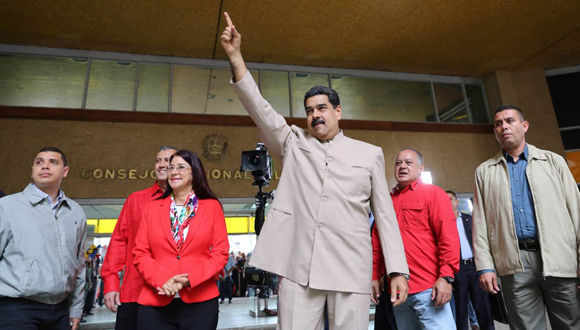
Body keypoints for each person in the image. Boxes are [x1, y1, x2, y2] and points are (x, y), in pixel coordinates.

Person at [221, 12, 409, 330]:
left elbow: (386, 219)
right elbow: (260, 109)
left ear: (337, 111)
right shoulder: (294, 142)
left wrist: (397, 271)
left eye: (322, 108)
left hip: (350, 268)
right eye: (309, 110)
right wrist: (236, 58)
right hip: (298, 267)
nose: (315, 115)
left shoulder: (369, 154)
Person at [473, 104, 580, 329]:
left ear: (524, 125)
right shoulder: (485, 171)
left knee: (570, 324)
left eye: (510, 121)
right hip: (514, 263)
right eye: (498, 124)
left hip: (559, 257)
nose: (504, 127)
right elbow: (480, 223)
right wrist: (485, 266)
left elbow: (576, 211)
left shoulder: (553, 162)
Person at [133, 149, 229, 330]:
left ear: (195, 173)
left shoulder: (212, 207)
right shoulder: (152, 209)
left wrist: (189, 279)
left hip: (200, 303)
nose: (174, 172)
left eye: (181, 167)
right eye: (170, 167)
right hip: (155, 302)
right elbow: (140, 252)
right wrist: (162, 280)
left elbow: (220, 253)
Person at [0, 147, 87, 330]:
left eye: (52, 162)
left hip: (61, 311)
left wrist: (76, 310)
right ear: (32, 171)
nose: (44, 166)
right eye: (39, 162)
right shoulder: (7, 207)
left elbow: (79, 266)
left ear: (65, 171)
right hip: (16, 308)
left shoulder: (75, 212)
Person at [372, 148, 459, 329]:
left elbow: (448, 239)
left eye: (408, 162)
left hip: (429, 288)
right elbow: (377, 244)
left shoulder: (434, 194)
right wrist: (375, 276)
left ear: (420, 168)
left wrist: (446, 277)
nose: (402, 166)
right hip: (397, 290)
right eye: (398, 163)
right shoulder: (386, 201)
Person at [101, 146, 176, 330]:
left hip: (178, 294)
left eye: (168, 160)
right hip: (135, 291)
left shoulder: (192, 202)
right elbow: (119, 241)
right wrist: (111, 283)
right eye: (158, 160)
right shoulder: (136, 200)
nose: (161, 164)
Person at [446, 190, 494, 330]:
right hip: (457, 269)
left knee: (483, 305)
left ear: (457, 201)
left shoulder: (469, 219)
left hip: (474, 267)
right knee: (461, 308)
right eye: (444, 200)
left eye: (450, 199)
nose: (447, 202)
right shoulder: (443, 223)